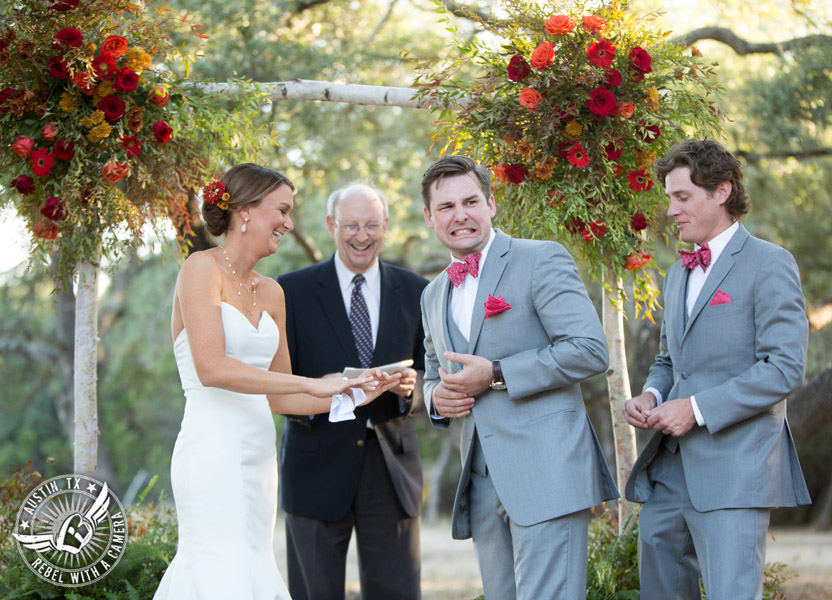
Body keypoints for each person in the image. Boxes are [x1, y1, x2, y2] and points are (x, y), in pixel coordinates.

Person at [154, 164, 400, 600]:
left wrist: (354, 393)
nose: (289, 223)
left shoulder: (272, 292)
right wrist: (311, 383)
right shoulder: (200, 269)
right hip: (211, 452)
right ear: (245, 211)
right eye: (282, 210)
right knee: (216, 569)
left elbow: (281, 394)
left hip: (259, 460)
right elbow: (211, 368)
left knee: (253, 565)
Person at [418, 154, 619, 599]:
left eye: (470, 201)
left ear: (492, 204)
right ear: (429, 217)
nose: (461, 215)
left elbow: (589, 350)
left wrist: (495, 373)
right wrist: (435, 398)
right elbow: (433, 372)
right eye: (446, 207)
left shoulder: (540, 259)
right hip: (483, 482)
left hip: (548, 471)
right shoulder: (432, 294)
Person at [623, 140, 811, 600]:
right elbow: (669, 360)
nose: (671, 210)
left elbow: (784, 368)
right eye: (669, 198)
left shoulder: (770, 264)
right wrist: (651, 393)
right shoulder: (677, 274)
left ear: (722, 191)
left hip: (735, 468)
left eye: (681, 197)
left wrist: (697, 409)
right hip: (667, 471)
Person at [277, 182, 428, 600]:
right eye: (352, 226)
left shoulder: (417, 291)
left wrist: (410, 389)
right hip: (314, 469)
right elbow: (276, 380)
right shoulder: (291, 291)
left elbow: (431, 376)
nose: (362, 236)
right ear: (331, 225)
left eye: (372, 225)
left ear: (386, 227)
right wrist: (327, 393)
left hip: (392, 469)